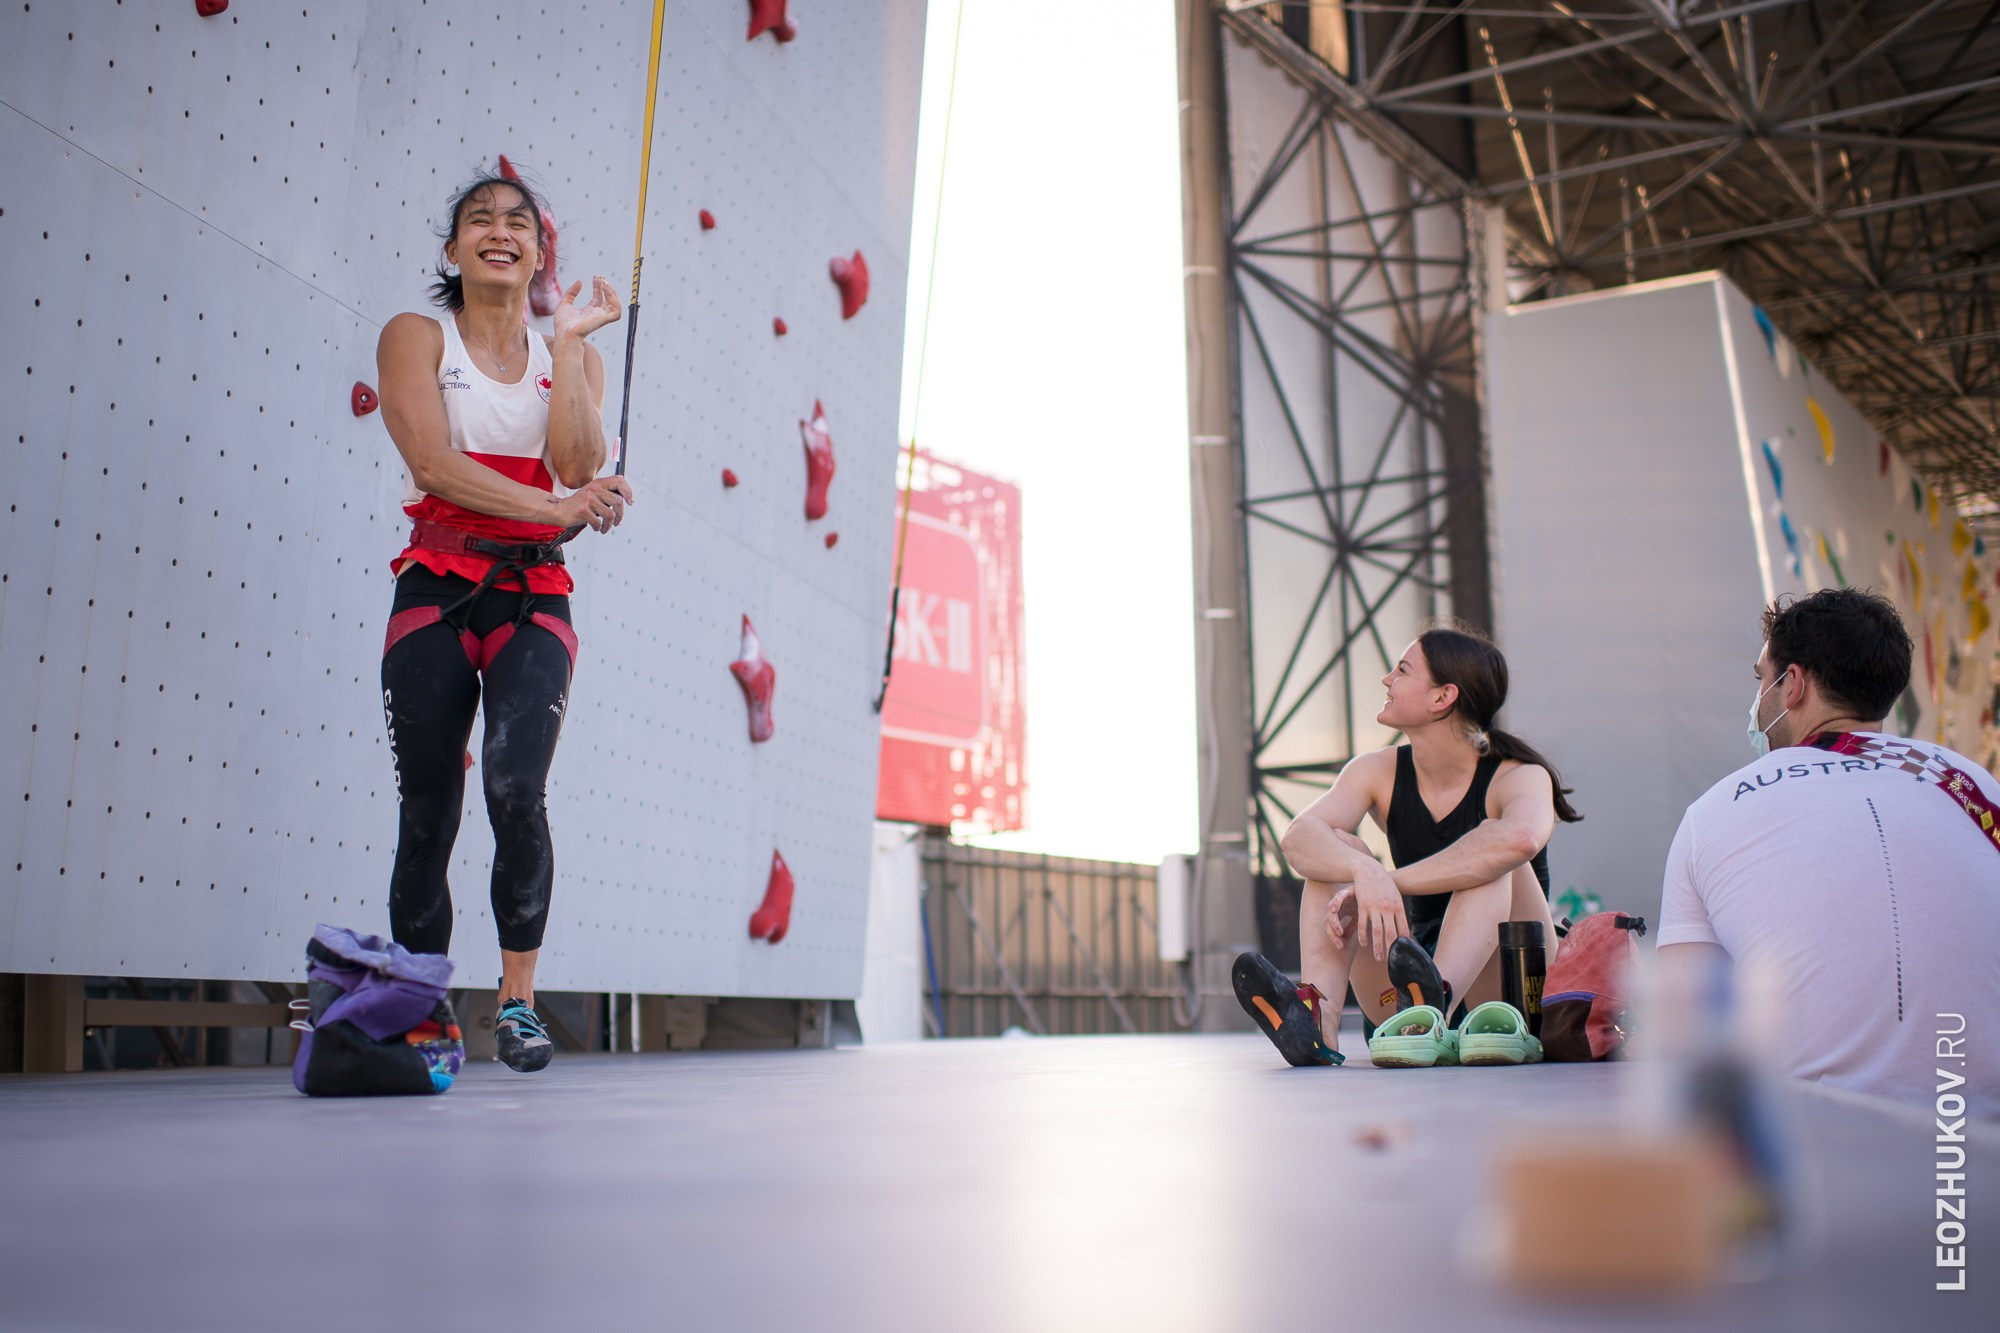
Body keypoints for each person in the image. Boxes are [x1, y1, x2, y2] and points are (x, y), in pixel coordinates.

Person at [374, 169, 633, 1072]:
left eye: (518, 222)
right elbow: (433, 464)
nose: (499, 231)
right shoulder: (415, 336)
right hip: (435, 588)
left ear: (538, 252)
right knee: (428, 809)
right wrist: (556, 510)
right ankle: (421, 1010)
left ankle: (516, 1004)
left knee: (517, 789)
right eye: (479, 220)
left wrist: (567, 344)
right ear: (453, 250)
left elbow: (577, 464)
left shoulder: (573, 354)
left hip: (534, 596)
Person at [1658, 589, 2000, 1117]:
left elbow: (1691, 1025)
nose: (1757, 702)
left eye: (1761, 679)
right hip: (1979, 1130)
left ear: (1792, 684)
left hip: (1819, 1134)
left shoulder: (1714, 811)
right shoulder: (1971, 784)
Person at [1234, 625, 1581, 1066]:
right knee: (1336, 848)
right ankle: (1320, 1019)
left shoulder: (1519, 775)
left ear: (1443, 697)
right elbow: (1299, 837)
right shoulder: (1376, 771)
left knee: (1496, 854)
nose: (1387, 680)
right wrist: (1363, 871)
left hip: (1505, 997)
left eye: (1402, 670)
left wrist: (1388, 881)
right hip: (1402, 988)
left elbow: (1521, 838)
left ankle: (1433, 1009)